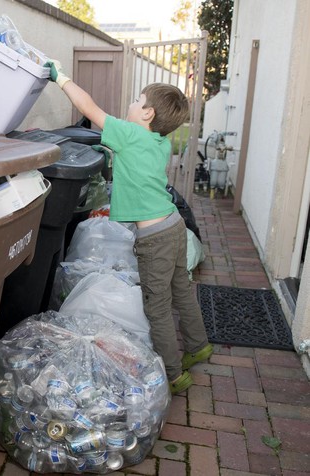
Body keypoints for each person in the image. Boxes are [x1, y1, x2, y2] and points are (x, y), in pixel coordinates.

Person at [45, 59, 213, 394]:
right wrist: (108, 147)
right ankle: (199, 346)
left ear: (148, 114)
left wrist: (60, 78)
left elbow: (88, 107)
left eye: (137, 100)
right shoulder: (160, 142)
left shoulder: (130, 133)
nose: (132, 104)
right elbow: (135, 159)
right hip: (174, 226)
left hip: (155, 238)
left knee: (157, 306)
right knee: (181, 289)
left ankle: (173, 372)